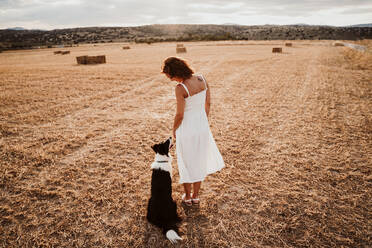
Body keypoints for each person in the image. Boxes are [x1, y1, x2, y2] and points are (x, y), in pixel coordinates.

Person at [161, 57, 225, 206]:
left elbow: (180, 114)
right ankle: (196, 196)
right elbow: (208, 103)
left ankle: (188, 197)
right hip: (201, 127)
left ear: (175, 72)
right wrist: (202, 121)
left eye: (170, 76)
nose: (171, 80)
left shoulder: (180, 88)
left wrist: (174, 129)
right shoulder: (202, 79)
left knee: (186, 162)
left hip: (186, 129)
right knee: (199, 161)